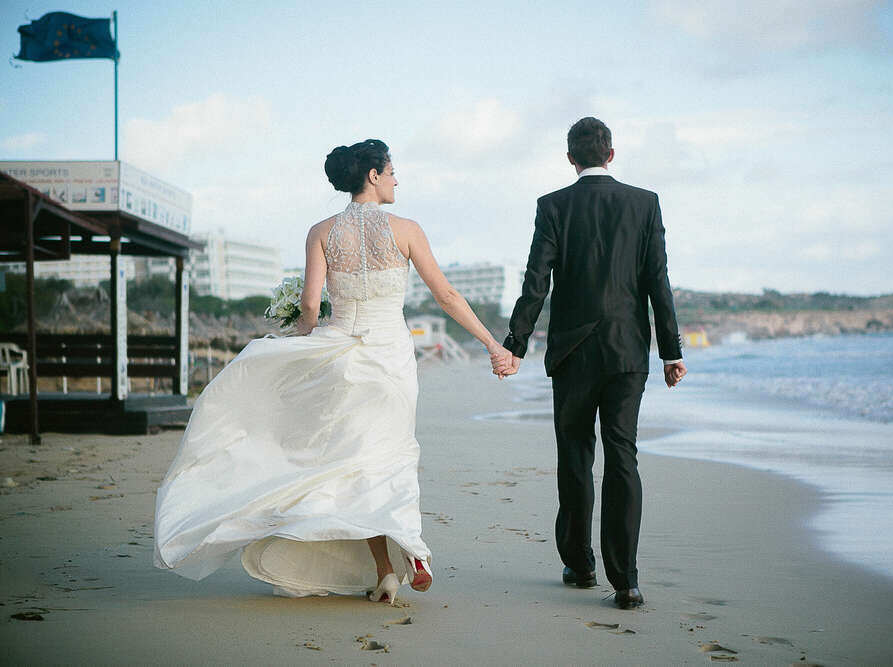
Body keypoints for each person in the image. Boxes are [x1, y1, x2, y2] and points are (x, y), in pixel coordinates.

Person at [154, 139, 508, 604]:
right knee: (389, 455)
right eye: (393, 171)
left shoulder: (321, 231)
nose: (398, 179)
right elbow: (446, 296)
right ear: (375, 176)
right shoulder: (407, 229)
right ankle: (408, 551)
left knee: (350, 462)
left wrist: (300, 341)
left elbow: (309, 304)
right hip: (389, 360)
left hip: (341, 356)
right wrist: (491, 344)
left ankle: (387, 569)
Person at [491, 118, 687, 610]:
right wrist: (671, 350)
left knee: (576, 457)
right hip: (626, 352)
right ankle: (628, 582)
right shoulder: (644, 203)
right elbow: (657, 280)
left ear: (571, 159)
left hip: (573, 353)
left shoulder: (553, 206)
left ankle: (580, 564)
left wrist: (515, 344)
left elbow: (537, 281)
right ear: (611, 154)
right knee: (623, 457)